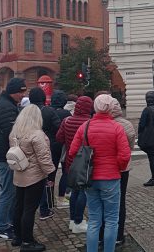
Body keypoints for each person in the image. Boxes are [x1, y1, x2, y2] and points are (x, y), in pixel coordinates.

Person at [68, 94, 130, 252]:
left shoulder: (85, 127)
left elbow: (73, 151)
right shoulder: (117, 128)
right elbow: (124, 156)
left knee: (94, 219)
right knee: (111, 220)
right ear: (110, 108)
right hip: (111, 178)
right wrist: (117, 167)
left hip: (90, 178)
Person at [8, 104, 55, 251]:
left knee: (19, 206)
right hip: (34, 176)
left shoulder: (14, 133)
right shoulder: (37, 134)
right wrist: (50, 173)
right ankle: (28, 242)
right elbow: (44, 158)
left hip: (19, 174)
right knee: (29, 209)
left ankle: (18, 236)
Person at [0, 77, 27, 240]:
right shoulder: (7, 107)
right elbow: (12, 134)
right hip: (6, 155)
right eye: (21, 92)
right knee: (7, 192)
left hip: (3, 154)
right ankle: (1, 227)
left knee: (9, 191)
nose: (23, 95)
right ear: (14, 91)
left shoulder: (6, 103)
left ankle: (7, 223)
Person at [56, 96, 93, 234]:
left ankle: (72, 220)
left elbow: (59, 138)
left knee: (73, 192)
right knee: (82, 191)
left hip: (70, 161)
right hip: (84, 160)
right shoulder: (89, 123)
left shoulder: (66, 121)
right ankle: (78, 221)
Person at [28, 87, 61, 220]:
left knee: (34, 175)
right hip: (48, 146)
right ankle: (45, 207)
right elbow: (58, 127)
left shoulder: (25, 112)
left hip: (30, 147)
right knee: (48, 177)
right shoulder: (48, 111)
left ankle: (33, 203)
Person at [108, 98, 136, 245]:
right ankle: (119, 235)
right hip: (122, 167)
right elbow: (130, 145)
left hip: (104, 168)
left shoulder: (97, 124)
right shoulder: (126, 125)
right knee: (120, 200)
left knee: (103, 202)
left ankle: (103, 235)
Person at [49, 90, 71, 208]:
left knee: (50, 173)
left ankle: (49, 200)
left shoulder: (47, 111)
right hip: (63, 146)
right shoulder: (66, 113)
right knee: (65, 172)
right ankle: (61, 198)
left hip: (50, 145)